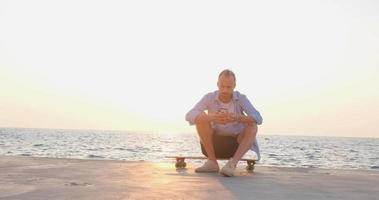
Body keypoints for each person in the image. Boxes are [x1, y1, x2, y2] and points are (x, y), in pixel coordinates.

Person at [185, 69, 263, 177]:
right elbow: (189, 115)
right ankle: (212, 162)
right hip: (213, 145)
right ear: (217, 84)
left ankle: (232, 165)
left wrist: (237, 118)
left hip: (236, 146)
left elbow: (258, 118)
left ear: (234, 85)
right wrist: (211, 118)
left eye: (228, 87)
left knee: (252, 125)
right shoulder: (209, 97)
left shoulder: (241, 98)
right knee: (201, 118)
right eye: (222, 86)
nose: (225, 90)